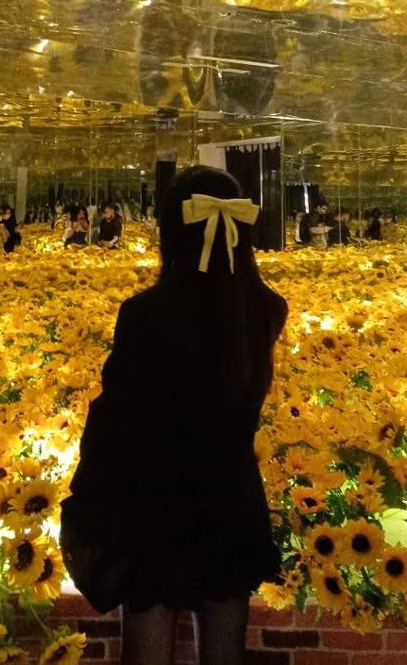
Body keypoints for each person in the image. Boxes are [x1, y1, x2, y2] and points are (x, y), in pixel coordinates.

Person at [61, 166, 288, 665]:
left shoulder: (144, 314)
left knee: (148, 649)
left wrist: (91, 496)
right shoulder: (266, 310)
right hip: (230, 500)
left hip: (153, 504)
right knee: (224, 652)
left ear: (171, 234)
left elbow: (115, 418)